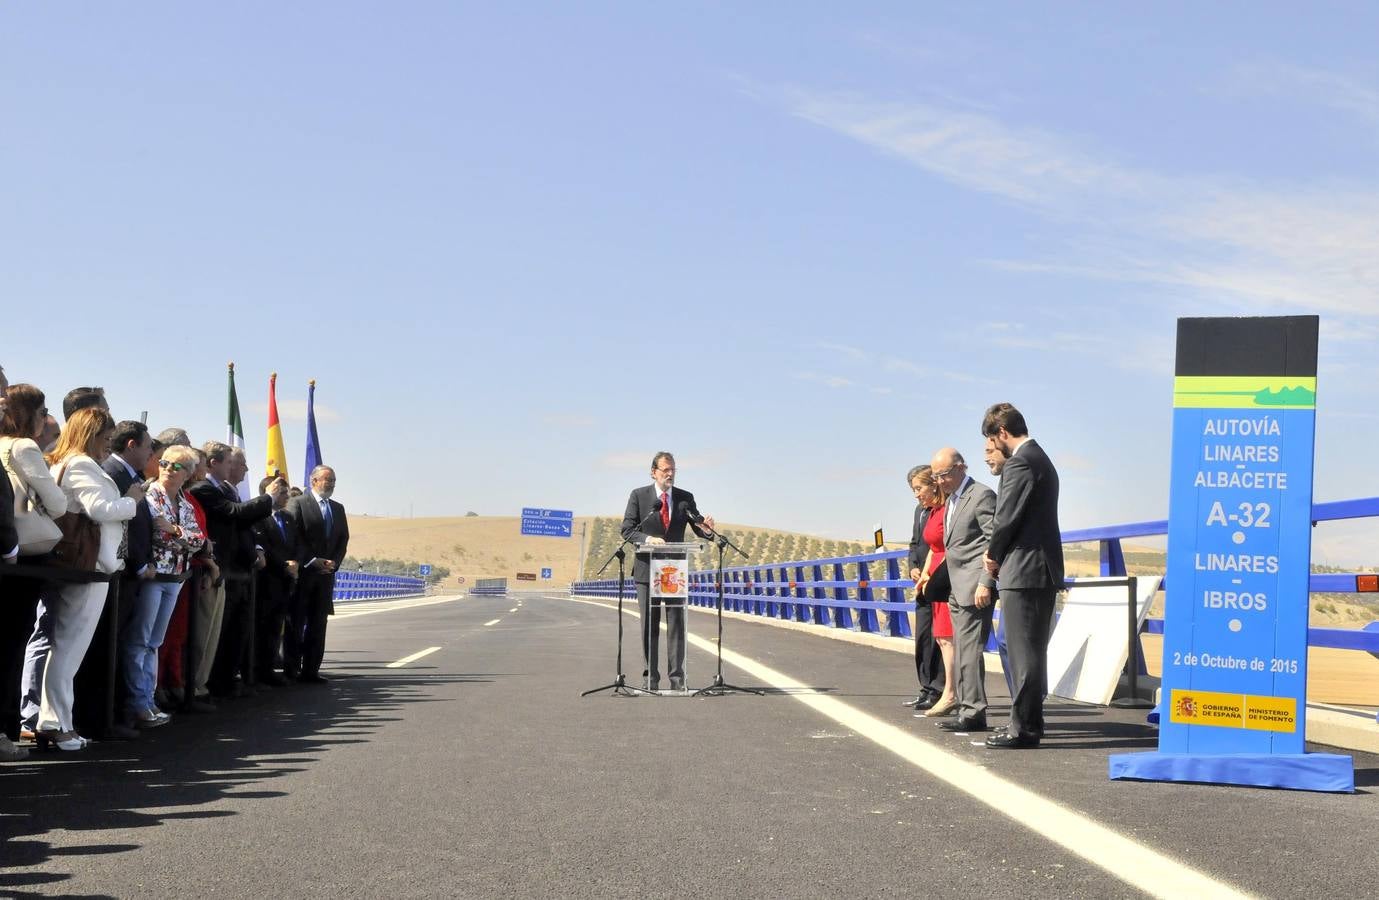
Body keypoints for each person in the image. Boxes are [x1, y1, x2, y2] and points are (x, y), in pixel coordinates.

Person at [29, 408, 141, 751]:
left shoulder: (68, 461)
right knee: (67, 648)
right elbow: (100, 510)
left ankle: (59, 721)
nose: (108, 446)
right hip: (87, 566)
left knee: (63, 646)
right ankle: (55, 724)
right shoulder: (80, 463)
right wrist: (131, 501)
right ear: (89, 435)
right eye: (105, 439)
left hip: (84, 566)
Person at [981, 403, 1063, 749]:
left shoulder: (1020, 462)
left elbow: (1006, 517)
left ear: (1002, 433)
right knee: (1013, 645)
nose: (991, 449)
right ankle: (1025, 721)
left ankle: (1025, 729)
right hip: (1034, 568)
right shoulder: (1039, 458)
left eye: (991, 440)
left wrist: (992, 554)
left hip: (1025, 569)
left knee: (1024, 652)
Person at [1, 384, 71, 749]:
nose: (46, 420)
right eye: (43, 412)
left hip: (8, 551)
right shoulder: (24, 446)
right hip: (26, 552)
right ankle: (6, 733)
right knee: (13, 644)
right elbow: (57, 504)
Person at [121, 445, 204, 728]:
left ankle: (148, 699)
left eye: (177, 466)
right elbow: (153, 534)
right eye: (165, 462)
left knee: (155, 642)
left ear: (188, 474)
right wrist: (176, 535)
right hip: (153, 576)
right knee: (140, 639)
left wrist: (174, 530)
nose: (168, 468)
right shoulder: (149, 493)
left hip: (175, 577)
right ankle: (137, 702)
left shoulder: (185, 503)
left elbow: (198, 541)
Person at [619, 451, 714, 692]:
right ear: (654, 472)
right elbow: (628, 530)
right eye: (665, 470)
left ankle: (677, 680)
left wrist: (708, 531)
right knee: (649, 626)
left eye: (673, 470)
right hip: (646, 571)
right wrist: (648, 538)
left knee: (676, 626)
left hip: (673, 571)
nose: (670, 474)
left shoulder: (684, 498)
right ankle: (650, 679)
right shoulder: (640, 496)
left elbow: (698, 525)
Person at [189, 443, 272, 698]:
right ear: (215, 463)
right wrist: (267, 496)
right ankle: (206, 685)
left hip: (237, 569)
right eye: (229, 462)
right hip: (217, 568)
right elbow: (233, 514)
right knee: (214, 631)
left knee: (234, 631)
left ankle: (224, 681)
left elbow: (243, 523)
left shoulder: (228, 490)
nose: (235, 467)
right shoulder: (204, 488)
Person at [97, 420, 160, 740]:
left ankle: (118, 712)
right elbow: (124, 525)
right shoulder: (113, 473)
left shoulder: (131, 476)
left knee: (121, 642)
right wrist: (137, 565)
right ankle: (105, 717)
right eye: (148, 446)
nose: (152, 453)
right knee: (109, 644)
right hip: (119, 572)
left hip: (131, 573)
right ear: (132, 445)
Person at [930, 448, 998, 735]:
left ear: (961, 467)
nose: (940, 481)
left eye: (944, 474)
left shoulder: (981, 495)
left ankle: (972, 712)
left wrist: (986, 581)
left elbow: (994, 541)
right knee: (963, 649)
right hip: (956, 589)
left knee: (969, 651)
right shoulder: (952, 501)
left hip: (974, 587)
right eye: (936, 476)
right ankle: (969, 707)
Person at [287, 465, 349, 683]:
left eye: (333, 480)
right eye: (327, 479)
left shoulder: (338, 508)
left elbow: (342, 540)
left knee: (318, 623)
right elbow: (294, 535)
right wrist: (312, 560)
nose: (331, 484)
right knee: (296, 622)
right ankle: (291, 669)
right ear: (313, 481)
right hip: (303, 576)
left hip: (325, 578)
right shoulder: (298, 503)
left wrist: (334, 563)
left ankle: (311, 670)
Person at [910, 465, 958, 719]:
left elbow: (950, 545)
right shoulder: (926, 511)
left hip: (947, 576)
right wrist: (921, 573)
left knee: (947, 640)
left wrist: (933, 576)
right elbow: (923, 546)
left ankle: (947, 692)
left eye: (919, 488)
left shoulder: (948, 509)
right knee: (935, 637)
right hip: (933, 576)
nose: (917, 494)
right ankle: (932, 689)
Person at [902, 465, 946, 711]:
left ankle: (938, 688)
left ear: (933, 484)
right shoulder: (920, 511)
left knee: (937, 637)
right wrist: (913, 567)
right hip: (921, 581)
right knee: (922, 637)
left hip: (938, 579)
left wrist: (930, 572)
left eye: (919, 488)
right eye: (914, 490)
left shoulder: (942, 509)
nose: (917, 494)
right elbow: (914, 544)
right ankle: (925, 686)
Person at [253, 476, 298, 685]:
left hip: (284, 583)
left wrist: (296, 563)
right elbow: (264, 547)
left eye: (287, 492)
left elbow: (296, 545)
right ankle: (257, 672)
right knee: (261, 628)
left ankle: (269, 670)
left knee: (275, 628)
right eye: (282, 492)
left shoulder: (288, 518)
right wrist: (283, 565)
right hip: (266, 581)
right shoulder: (259, 517)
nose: (286, 496)